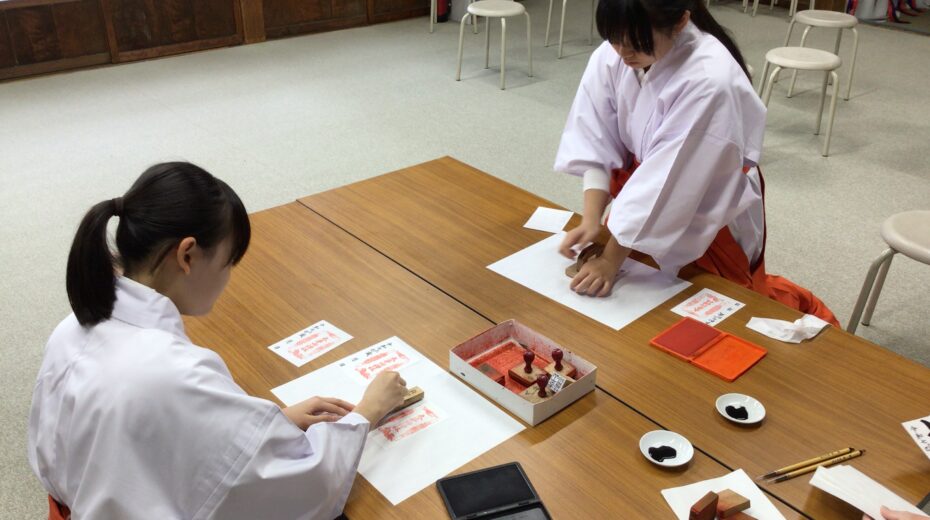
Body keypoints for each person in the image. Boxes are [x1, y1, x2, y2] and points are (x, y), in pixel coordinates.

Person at [28, 162, 408, 520]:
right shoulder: (176, 374)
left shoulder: (74, 326)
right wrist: (368, 412)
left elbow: (132, 442)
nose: (228, 277)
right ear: (188, 255)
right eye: (229, 262)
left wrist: (267, 428)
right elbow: (309, 486)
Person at [554, 0, 839, 326]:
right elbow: (595, 133)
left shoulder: (710, 79)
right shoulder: (619, 48)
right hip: (646, 193)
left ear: (680, 22)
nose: (622, 53)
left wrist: (609, 260)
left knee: (718, 303)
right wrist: (591, 218)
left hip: (704, 196)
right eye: (615, 40)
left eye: (635, 45)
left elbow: (668, 185)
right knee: (645, 301)